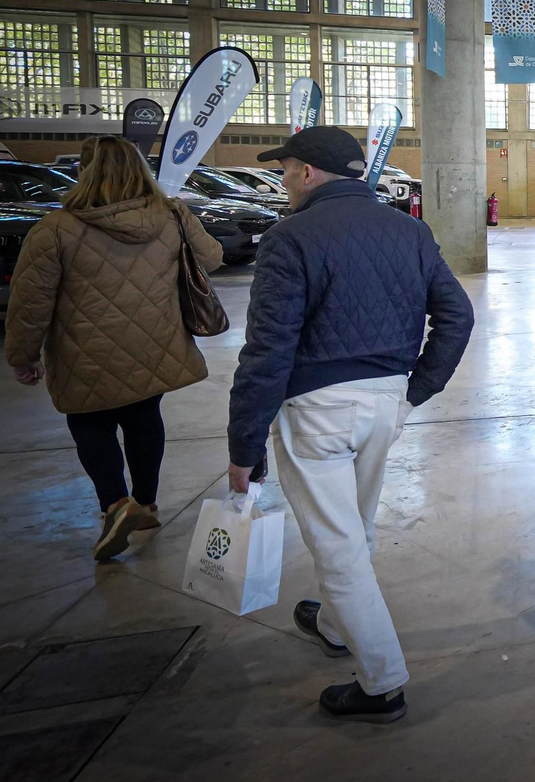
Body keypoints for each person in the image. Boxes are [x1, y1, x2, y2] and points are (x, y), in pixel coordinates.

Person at [226, 126, 473, 724]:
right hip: (387, 402)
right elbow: (457, 315)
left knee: (336, 545)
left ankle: (382, 683)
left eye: (286, 171)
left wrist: (244, 444)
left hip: (317, 410)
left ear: (309, 173)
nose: (283, 182)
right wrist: (417, 390)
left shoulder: (289, 238)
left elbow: (268, 349)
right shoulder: (409, 229)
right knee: (355, 524)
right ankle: (336, 624)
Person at [4, 135, 223, 561]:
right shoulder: (171, 214)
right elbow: (212, 258)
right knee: (144, 417)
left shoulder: (54, 229)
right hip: (156, 344)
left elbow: (30, 304)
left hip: (84, 353)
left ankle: (117, 505)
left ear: (83, 172)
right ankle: (145, 502)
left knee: (91, 426)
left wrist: (23, 356)